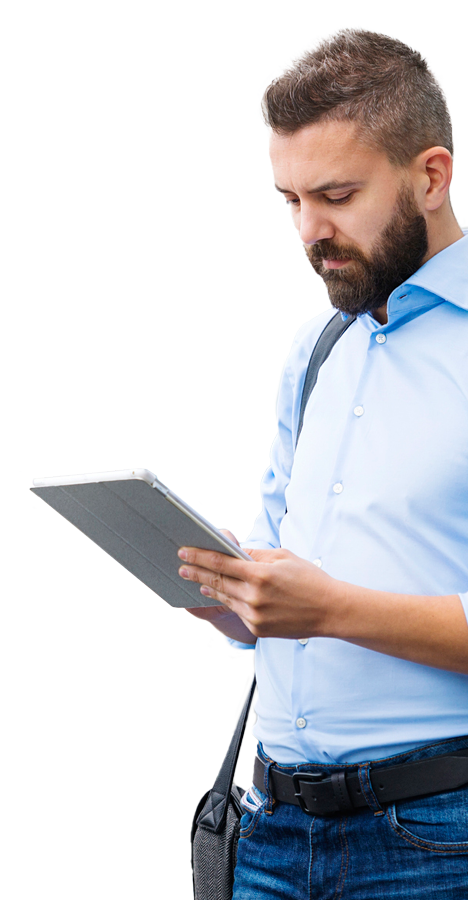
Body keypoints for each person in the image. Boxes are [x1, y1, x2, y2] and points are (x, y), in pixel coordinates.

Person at [179, 26, 468, 898]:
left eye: (336, 195)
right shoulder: (317, 350)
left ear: (429, 175)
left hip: (434, 844)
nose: (311, 232)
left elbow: (327, 603)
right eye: (290, 200)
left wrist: (331, 608)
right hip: (271, 831)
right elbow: (291, 587)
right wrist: (241, 600)